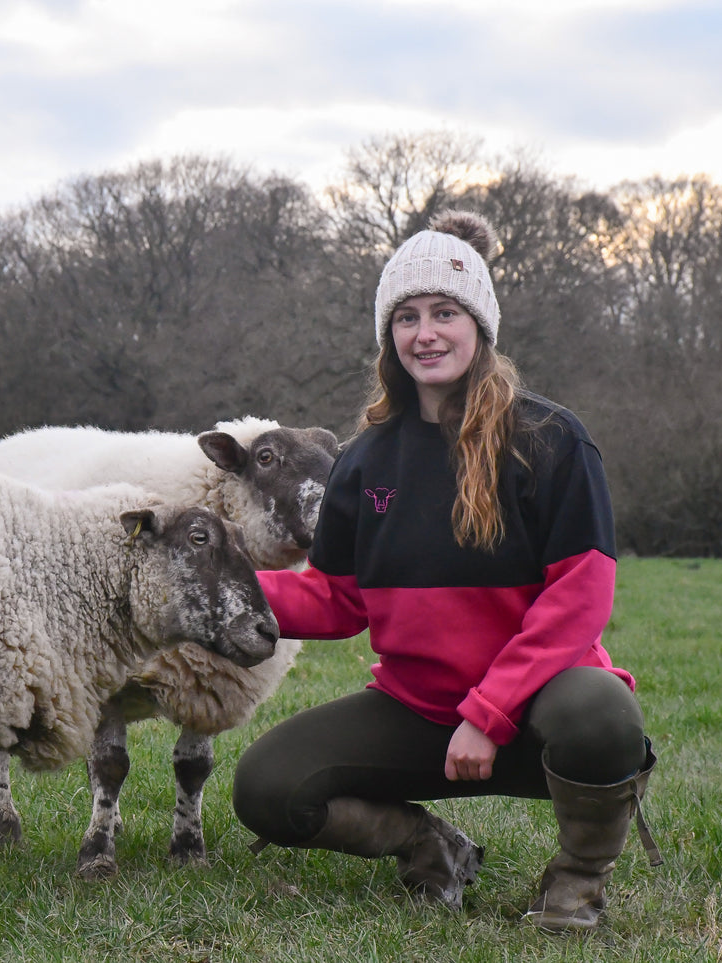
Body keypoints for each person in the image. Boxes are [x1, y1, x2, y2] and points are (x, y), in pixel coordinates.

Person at [231, 210, 659, 932]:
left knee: (601, 712)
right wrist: (219, 593)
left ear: (480, 325)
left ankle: (576, 882)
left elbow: (580, 596)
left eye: (444, 311)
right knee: (266, 787)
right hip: (419, 710)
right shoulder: (364, 461)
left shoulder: (552, 440)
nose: (424, 332)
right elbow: (336, 599)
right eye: (405, 316)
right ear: (387, 336)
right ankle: (430, 847)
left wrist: (489, 715)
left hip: (533, 711)